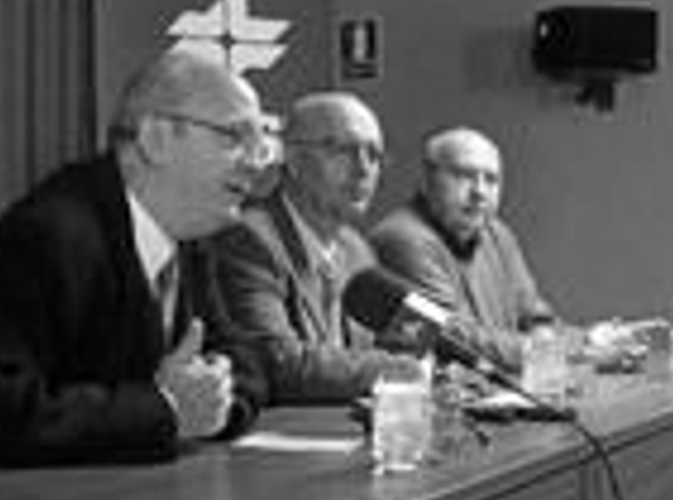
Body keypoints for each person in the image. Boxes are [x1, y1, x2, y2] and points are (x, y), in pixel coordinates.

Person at [0, 49, 272, 471]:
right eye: (233, 138)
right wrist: (167, 409)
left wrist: (212, 401)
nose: (257, 163)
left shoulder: (189, 238)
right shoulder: (47, 237)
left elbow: (245, 363)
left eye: (260, 143)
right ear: (156, 140)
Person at [191, 92, 408, 426]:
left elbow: (400, 340)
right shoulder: (248, 238)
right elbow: (280, 366)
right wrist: (404, 369)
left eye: (374, 154)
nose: (364, 169)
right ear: (291, 158)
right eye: (341, 150)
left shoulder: (356, 249)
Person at [369, 126, 554, 373]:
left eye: (491, 180)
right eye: (463, 175)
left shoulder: (498, 233)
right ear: (426, 182)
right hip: (427, 398)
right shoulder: (402, 238)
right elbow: (451, 340)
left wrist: (559, 340)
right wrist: (543, 352)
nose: (479, 191)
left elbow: (535, 316)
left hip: (491, 392)